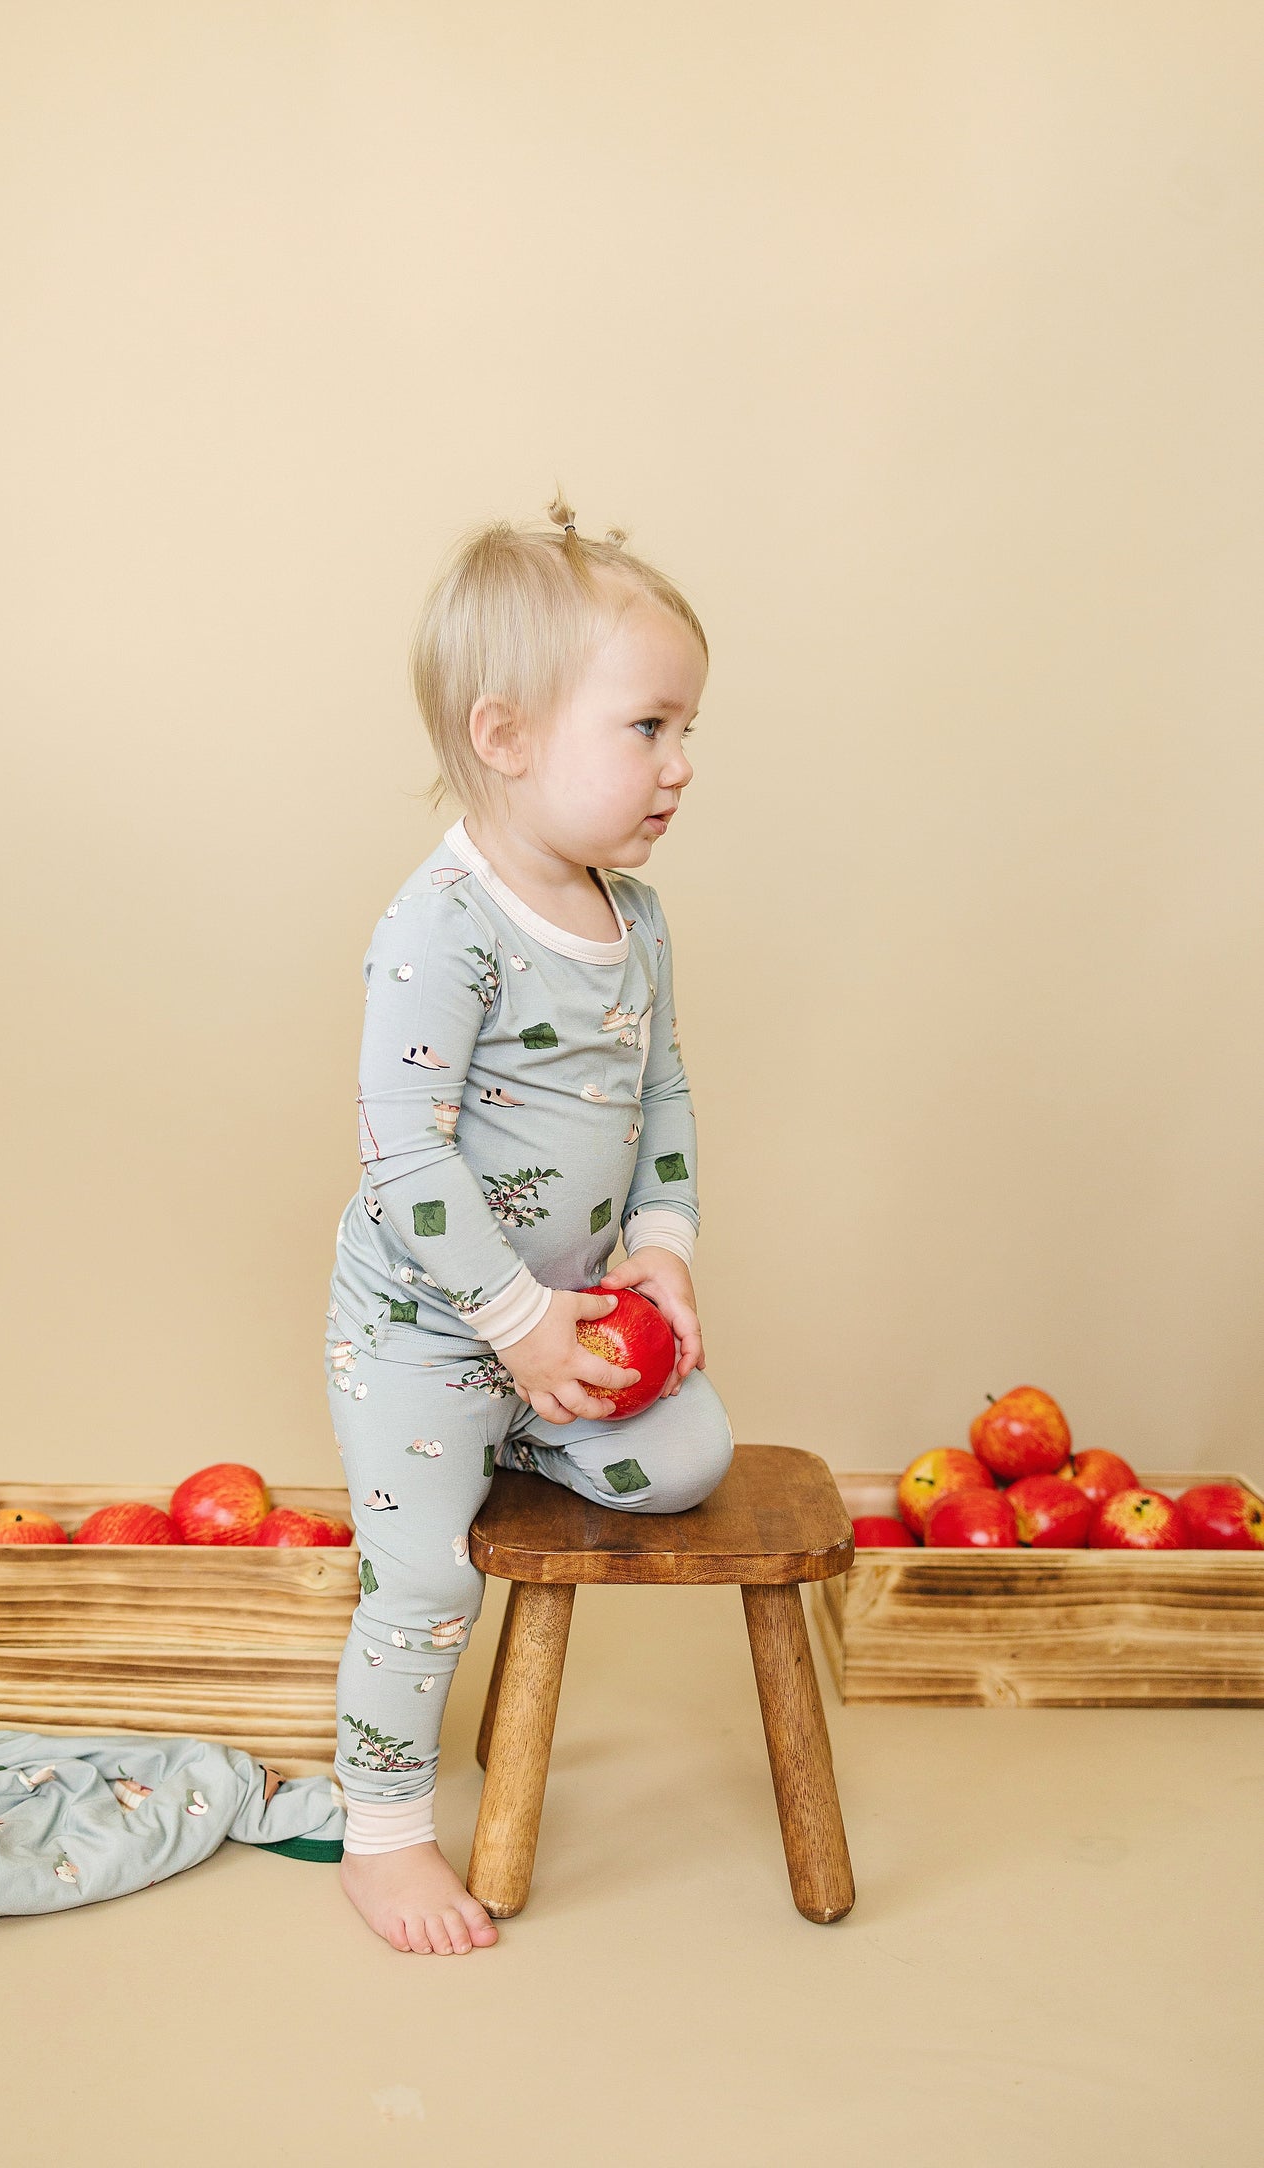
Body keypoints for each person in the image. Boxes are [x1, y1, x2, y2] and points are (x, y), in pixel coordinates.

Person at [324, 492, 735, 1955]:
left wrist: (660, 1249)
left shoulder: (637, 916)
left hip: (567, 1318)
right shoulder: (443, 926)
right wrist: (512, 1326)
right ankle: (378, 1831)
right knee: (422, 1576)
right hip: (430, 1330)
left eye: (688, 732)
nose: (680, 767)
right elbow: (404, 1156)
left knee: (690, 1458)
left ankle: (524, 1436)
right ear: (504, 738)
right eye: (647, 729)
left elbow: (663, 1092)